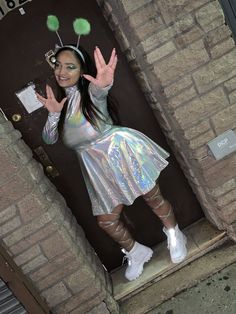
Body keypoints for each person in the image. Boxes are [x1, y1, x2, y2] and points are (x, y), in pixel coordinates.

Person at [37, 44, 187, 281]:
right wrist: (54, 114)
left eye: (70, 66)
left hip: (120, 152)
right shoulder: (61, 106)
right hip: (95, 169)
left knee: (153, 196)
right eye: (58, 65)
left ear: (81, 70)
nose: (62, 72)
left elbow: (100, 92)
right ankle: (136, 252)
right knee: (106, 220)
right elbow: (49, 138)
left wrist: (104, 83)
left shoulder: (91, 95)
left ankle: (174, 232)